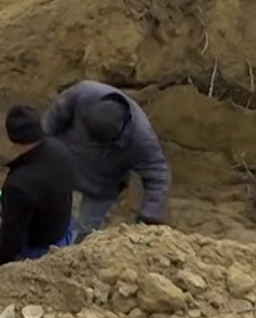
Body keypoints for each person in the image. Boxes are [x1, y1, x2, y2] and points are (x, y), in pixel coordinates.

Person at [35, 80, 171, 242]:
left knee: (84, 232)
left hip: (101, 186)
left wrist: (149, 215)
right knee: (52, 218)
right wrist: (39, 148)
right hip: (66, 167)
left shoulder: (141, 139)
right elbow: (52, 119)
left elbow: (158, 174)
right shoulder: (83, 94)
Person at [0, 105, 80, 270]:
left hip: (39, 250)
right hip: (64, 230)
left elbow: (11, 240)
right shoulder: (60, 149)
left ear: (13, 141)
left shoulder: (19, 184)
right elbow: (49, 186)